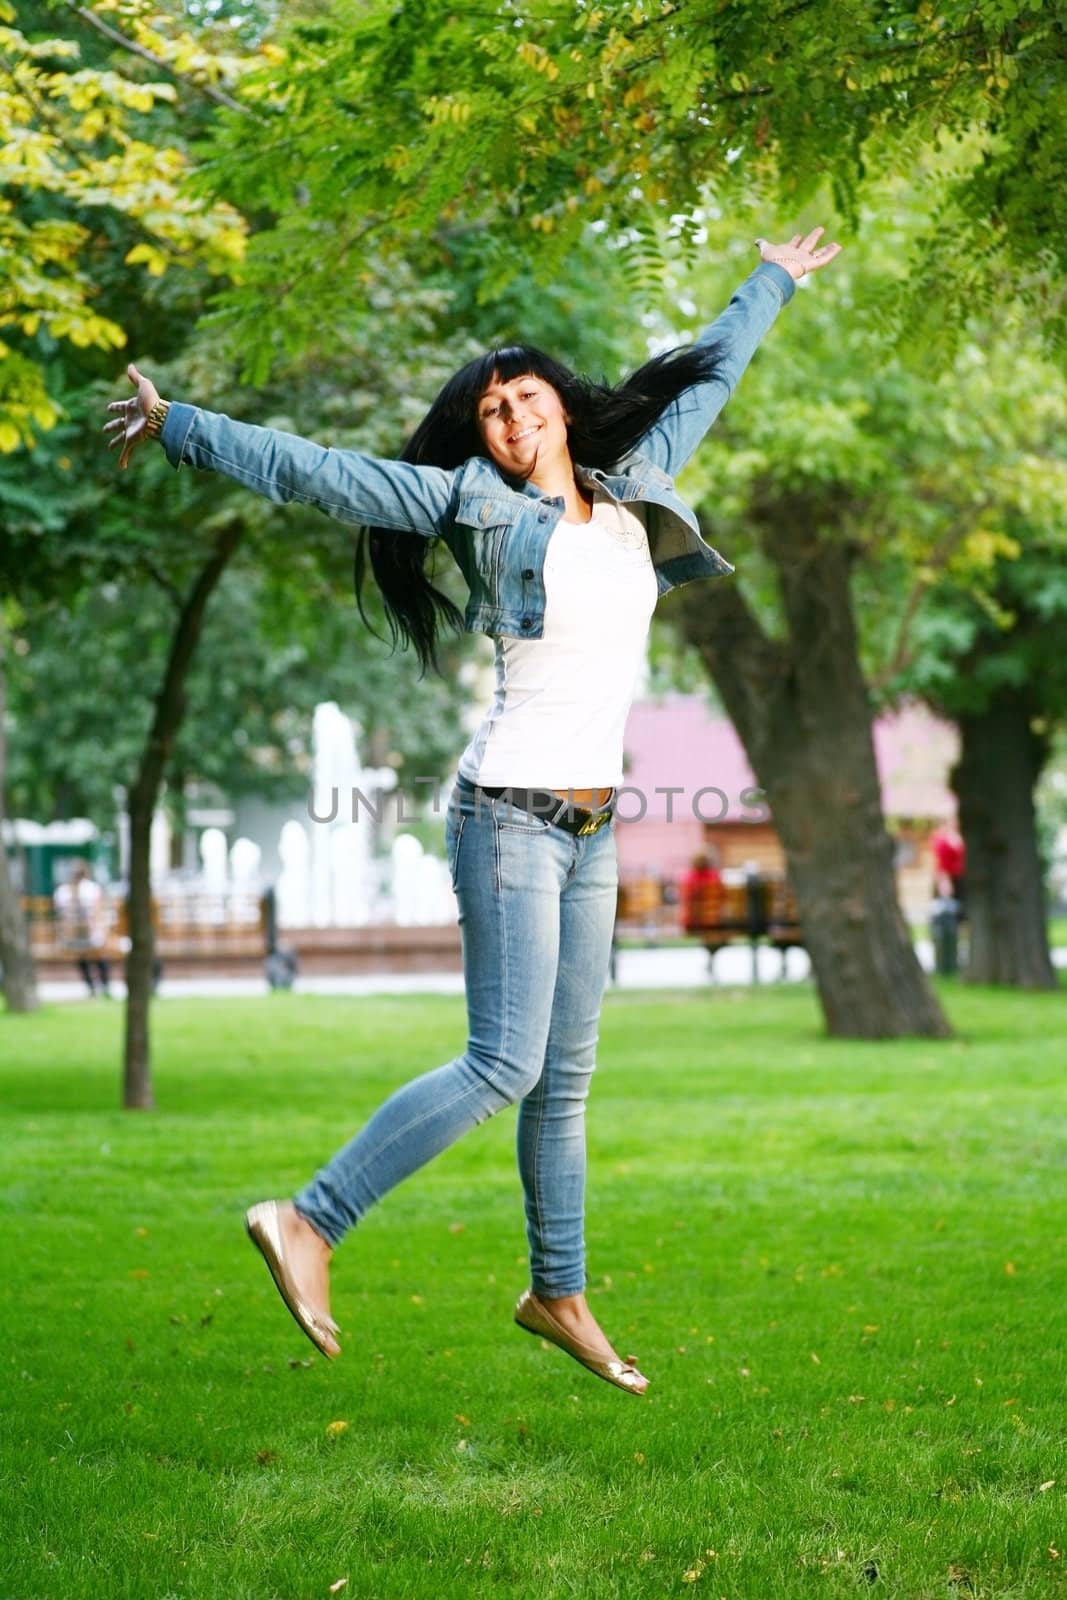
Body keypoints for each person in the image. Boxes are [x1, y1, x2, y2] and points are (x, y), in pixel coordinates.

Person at [105, 227, 841, 1395]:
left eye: (524, 395)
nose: (509, 418)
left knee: (563, 1080)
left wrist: (771, 281)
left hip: (591, 824)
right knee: (502, 1062)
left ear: (559, 401)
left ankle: (557, 1290)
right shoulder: (464, 504)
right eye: (489, 409)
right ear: (479, 434)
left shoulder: (635, 480)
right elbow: (316, 471)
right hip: (508, 816)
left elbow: (707, 365)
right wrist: (182, 424)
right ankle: (309, 1218)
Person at [54, 860, 112, 997]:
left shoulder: (63, 891)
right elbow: (99, 913)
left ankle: (94, 986)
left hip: (75, 937)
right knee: (98, 952)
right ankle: (103, 985)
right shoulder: (91, 889)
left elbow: (61, 917)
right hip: (86, 937)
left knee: (87, 953)